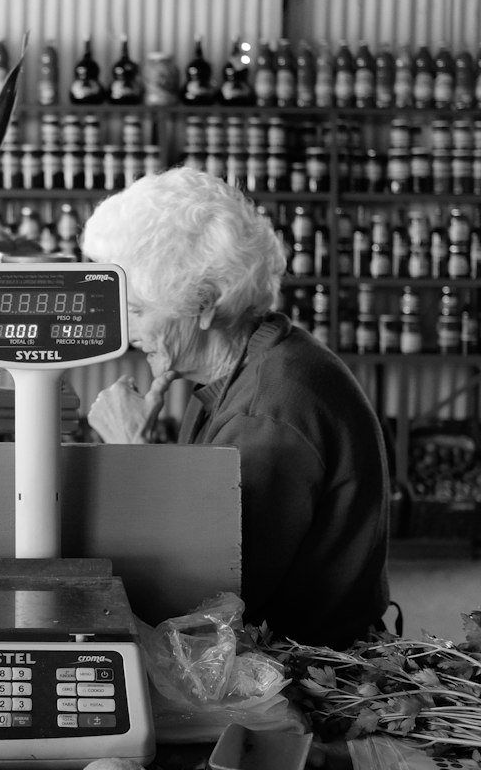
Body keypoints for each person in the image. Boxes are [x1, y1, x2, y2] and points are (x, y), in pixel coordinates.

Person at [81, 166, 389, 648]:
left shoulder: (267, 413)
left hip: (300, 672)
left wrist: (130, 453)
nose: (125, 328)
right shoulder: (248, 365)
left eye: (137, 309)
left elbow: (205, 602)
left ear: (203, 303)